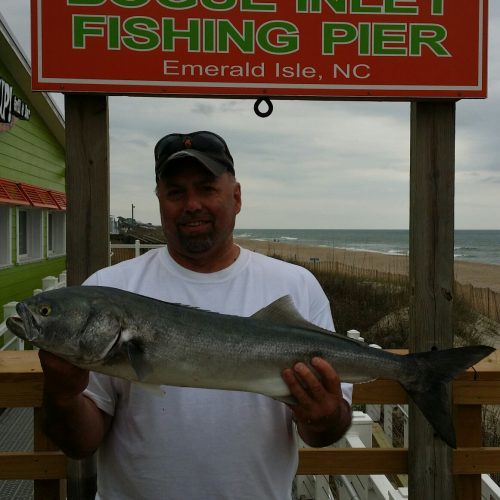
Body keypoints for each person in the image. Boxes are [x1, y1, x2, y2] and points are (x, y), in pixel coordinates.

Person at [39, 130, 353, 500]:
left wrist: (326, 414)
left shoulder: (296, 286)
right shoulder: (110, 290)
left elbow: (322, 433)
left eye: (206, 188)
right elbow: (81, 443)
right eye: (175, 192)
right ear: (159, 201)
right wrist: (60, 396)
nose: (191, 204)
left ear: (235, 197)